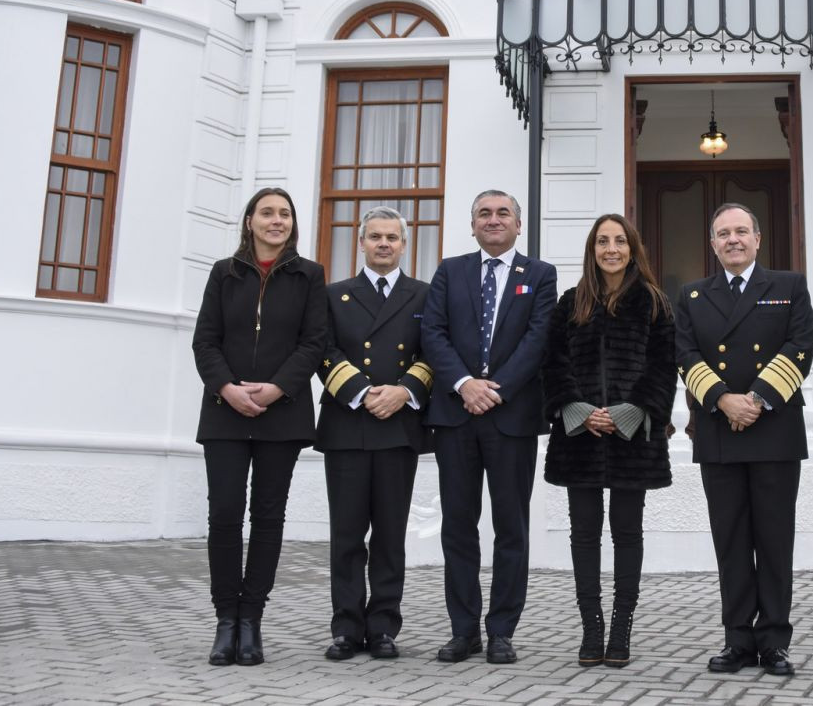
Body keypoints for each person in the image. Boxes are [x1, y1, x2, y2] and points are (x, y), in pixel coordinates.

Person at [674, 202, 813, 678]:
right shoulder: (693, 295)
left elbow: (800, 347)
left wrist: (754, 398)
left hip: (773, 427)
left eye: (741, 231)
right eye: (722, 234)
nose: (732, 240)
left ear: (758, 238)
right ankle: (737, 638)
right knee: (731, 540)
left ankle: (774, 640)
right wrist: (721, 399)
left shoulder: (789, 286)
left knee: (774, 541)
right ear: (712, 245)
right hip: (719, 429)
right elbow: (685, 353)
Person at [191, 186, 328, 667]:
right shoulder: (222, 273)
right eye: (267, 212)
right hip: (224, 413)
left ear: (293, 223)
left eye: (284, 214)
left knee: (268, 519)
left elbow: (313, 343)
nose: (276, 220)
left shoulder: (309, 275)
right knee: (224, 516)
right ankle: (225, 620)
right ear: (249, 221)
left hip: (282, 416)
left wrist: (276, 389)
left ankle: (252, 621)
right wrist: (227, 389)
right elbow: (205, 341)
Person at [419, 190, 557, 665]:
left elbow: (539, 338)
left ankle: (501, 631)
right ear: (472, 224)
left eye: (503, 214)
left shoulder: (539, 275)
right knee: (458, 527)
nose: (493, 220)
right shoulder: (449, 270)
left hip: (511, 418)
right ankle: (463, 631)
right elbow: (431, 333)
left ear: (519, 225)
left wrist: (493, 389)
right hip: (455, 418)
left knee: (510, 528)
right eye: (484, 213)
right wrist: (463, 384)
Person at [542, 214, 677, 669]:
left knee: (626, 532)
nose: (611, 249)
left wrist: (627, 413)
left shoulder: (655, 304)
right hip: (579, 437)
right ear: (592, 249)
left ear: (632, 249)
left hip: (632, 437)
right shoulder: (569, 302)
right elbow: (552, 364)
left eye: (620, 241)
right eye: (603, 241)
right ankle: (591, 628)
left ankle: (621, 628)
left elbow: (663, 368)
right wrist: (579, 412)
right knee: (584, 534)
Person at [315, 206, 433, 661]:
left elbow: (434, 350)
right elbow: (321, 350)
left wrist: (403, 392)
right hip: (348, 425)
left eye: (392, 238)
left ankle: (383, 626)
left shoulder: (424, 295)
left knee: (389, 534)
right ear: (360, 243)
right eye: (375, 237)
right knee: (346, 535)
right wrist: (363, 393)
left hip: (398, 428)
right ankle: (346, 627)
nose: (384, 244)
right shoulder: (333, 295)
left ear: (404, 245)